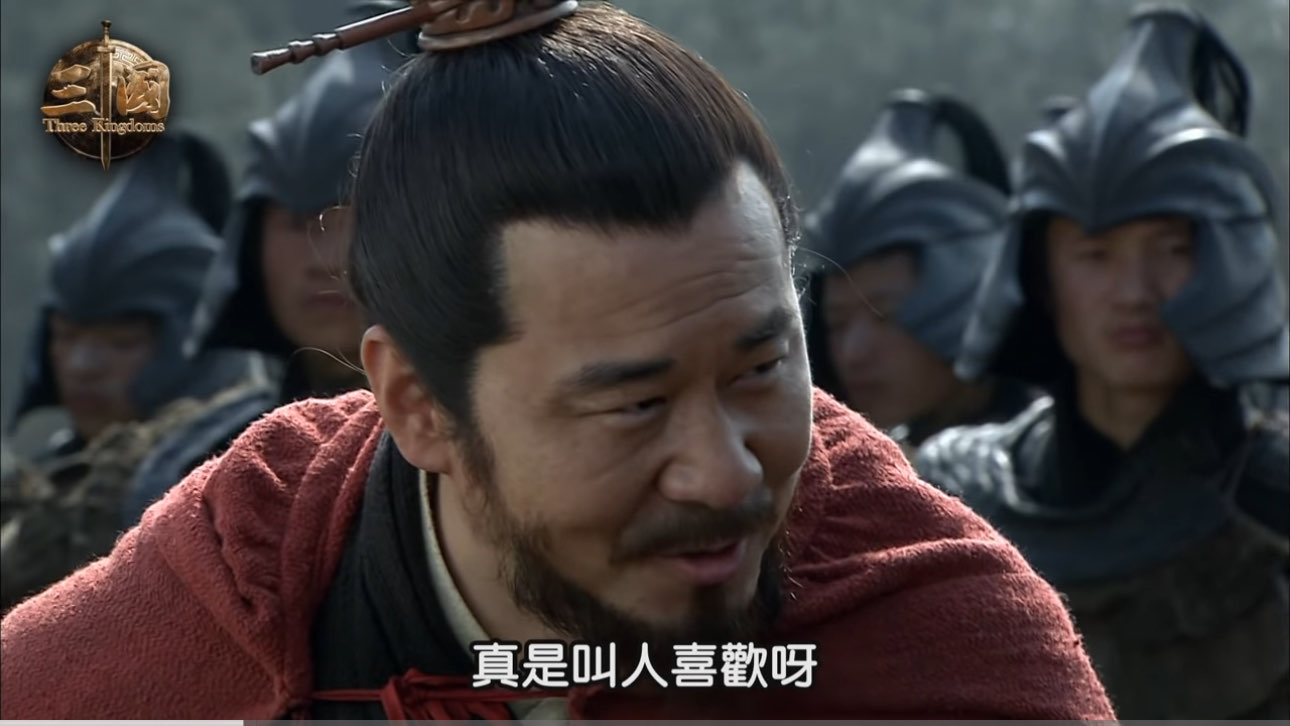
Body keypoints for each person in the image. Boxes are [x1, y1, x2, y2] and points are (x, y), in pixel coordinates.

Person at [0, 2, 1115, 719]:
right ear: (417, 405)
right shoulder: (263, 570)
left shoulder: (937, 638)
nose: (726, 474)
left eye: (758, 371)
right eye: (633, 404)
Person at [915, 6, 1288, 719]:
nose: (1133, 293)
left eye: (1171, 249)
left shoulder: (1276, 506)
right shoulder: (959, 498)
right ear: (1043, 277)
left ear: (1224, 264)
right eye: (1095, 255)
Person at [120, 1, 417, 524]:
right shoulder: (198, 471)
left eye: (357, 218)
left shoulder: (471, 442)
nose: (325, 259)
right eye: (298, 223)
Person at [0, 130, 272, 611]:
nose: (82, 366)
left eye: (121, 342)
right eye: (66, 336)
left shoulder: (239, 474)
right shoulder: (56, 479)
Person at [802, 89, 1036, 452]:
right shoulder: (846, 472)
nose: (853, 352)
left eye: (886, 316)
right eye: (837, 324)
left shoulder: (1044, 463)